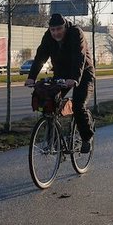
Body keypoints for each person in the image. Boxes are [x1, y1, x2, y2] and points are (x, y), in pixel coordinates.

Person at [24, 13, 95, 153]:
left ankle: (87, 137)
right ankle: (54, 141)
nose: (56, 33)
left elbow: (79, 57)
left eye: (59, 29)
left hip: (83, 72)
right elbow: (40, 56)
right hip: (62, 74)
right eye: (53, 30)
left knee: (78, 106)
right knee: (49, 102)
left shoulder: (76, 33)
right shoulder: (48, 37)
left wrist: (74, 78)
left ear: (65, 27)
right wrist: (31, 77)